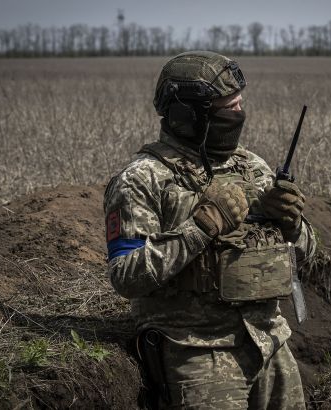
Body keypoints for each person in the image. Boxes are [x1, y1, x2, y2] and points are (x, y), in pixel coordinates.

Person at [104, 51, 316, 409]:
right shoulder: (141, 180)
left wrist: (292, 225)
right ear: (190, 116)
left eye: (240, 104)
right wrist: (202, 227)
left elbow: (306, 256)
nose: (239, 114)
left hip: (271, 345)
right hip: (197, 354)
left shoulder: (254, 168)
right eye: (228, 108)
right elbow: (126, 276)